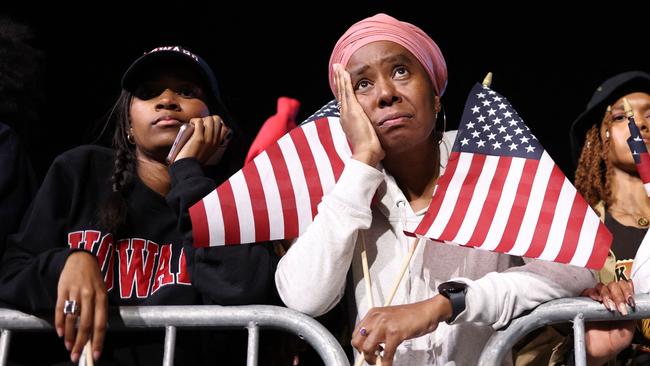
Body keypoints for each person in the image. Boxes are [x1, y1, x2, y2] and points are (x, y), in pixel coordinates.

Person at [275, 13, 596, 366]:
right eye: (362, 84)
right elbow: (304, 297)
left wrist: (449, 303)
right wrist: (363, 161)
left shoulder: (486, 161)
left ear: (436, 93)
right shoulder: (346, 183)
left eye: (400, 71)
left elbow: (575, 267)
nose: (385, 94)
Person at [0, 45, 279, 365]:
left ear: (216, 124)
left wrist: (187, 172)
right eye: (148, 93)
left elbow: (244, 287)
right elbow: (10, 274)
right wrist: (68, 263)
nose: (167, 101)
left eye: (187, 91)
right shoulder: (80, 170)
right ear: (129, 127)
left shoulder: (234, 198)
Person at [567, 71, 650, 366]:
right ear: (598, 135)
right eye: (620, 116)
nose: (639, 123)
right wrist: (591, 351)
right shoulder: (577, 232)